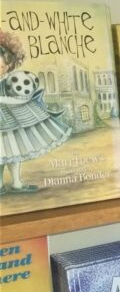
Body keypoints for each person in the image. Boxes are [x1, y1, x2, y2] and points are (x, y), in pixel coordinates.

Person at [0, 30, 71, 194]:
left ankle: (17, 183)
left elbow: (23, 99)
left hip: (12, 123)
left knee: (13, 153)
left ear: (10, 64)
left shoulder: (14, 80)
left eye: (2, 66)